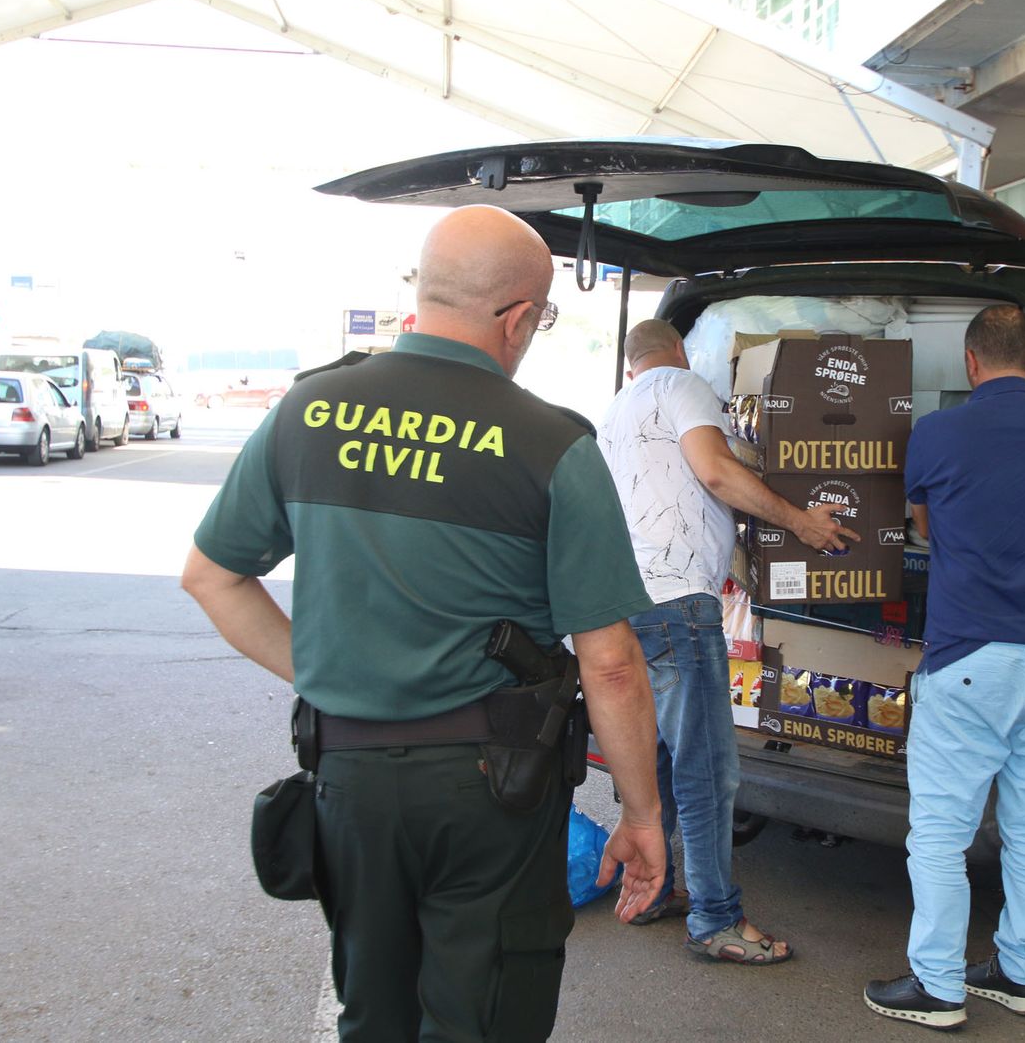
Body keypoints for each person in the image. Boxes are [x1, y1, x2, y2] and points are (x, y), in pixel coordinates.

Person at [181, 206, 667, 1042]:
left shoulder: (309, 410)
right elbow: (610, 663)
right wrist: (642, 813)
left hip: (349, 778)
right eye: (540, 319)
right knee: (484, 1016)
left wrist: (329, 674)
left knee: (374, 1011)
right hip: (492, 790)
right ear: (517, 318)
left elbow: (212, 577)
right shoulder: (551, 444)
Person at [595, 318, 856, 965]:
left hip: (625, 600)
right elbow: (714, 472)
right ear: (677, 353)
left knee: (654, 758)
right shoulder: (681, 385)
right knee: (707, 766)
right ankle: (716, 918)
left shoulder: (614, 412)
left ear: (630, 365)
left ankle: (652, 890)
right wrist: (800, 521)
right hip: (679, 602)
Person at [864, 304, 1025, 1031]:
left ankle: (938, 986)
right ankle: (1022, 975)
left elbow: (926, 525)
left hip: (971, 659)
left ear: (969, 364)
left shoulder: (936, 433)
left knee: (939, 833)